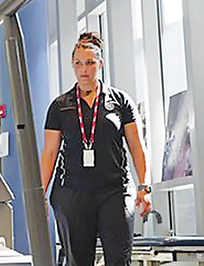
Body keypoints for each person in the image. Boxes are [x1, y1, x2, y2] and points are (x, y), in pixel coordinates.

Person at [40, 32, 151, 266]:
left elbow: (137, 146)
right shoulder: (60, 106)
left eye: (90, 63)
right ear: (72, 65)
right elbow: (49, 153)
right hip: (72, 192)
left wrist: (144, 185)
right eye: (78, 63)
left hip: (115, 190)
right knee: (78, 261)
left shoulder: (120, 101)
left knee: (119, 260)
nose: (84, 69)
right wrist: (40, 194)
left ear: (100, 64)